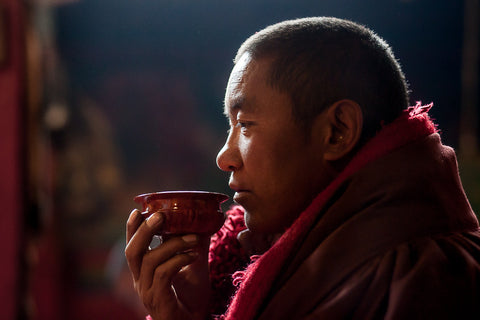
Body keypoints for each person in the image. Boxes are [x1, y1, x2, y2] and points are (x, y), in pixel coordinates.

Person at [125, 17, 480, 319]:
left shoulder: (415, 279)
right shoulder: (300, 256)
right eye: (229, 125)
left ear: (336, 131)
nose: (224, 157)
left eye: (246, 123)